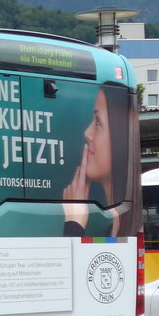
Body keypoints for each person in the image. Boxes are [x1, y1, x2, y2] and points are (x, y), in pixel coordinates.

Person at [63, 84, 137, 236]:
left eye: (98, 122)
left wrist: (74, 223)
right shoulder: (113, 231)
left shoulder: (126, 230)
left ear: (121, 137)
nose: (87, 133)